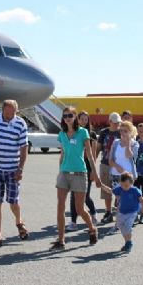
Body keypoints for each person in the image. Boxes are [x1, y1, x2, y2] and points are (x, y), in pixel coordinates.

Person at [0, 100, 29, 248]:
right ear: (2, 110)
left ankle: (19, 222)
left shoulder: (20, 124)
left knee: (13, 201)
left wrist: (20, 168)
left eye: (13, 114)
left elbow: (24, 147)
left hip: (12, 169)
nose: (9, 117)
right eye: (7, 114)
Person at [51, 107, 99, 250]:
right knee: (60, 206)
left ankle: (92, 229)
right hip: (64, 173)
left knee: (79, 208)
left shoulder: (83, 132)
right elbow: (63, 154)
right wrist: (60, 170)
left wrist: (95, 174)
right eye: (65, 115)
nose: (67, 118)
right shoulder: (62, 134)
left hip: (79, 173)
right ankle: (61, 239)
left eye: (70, 115)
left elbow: (90, 155)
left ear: (75, 117)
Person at [100, 172, 143, 253]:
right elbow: (110, 191)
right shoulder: (120, 189)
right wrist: (102, 185)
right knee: (120, 226)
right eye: (122, 185)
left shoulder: (135, 190)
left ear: (131, 183)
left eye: (126, 185)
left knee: (127, 227)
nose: (124, 187)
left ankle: (129, 243)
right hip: (122, 212)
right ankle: (127, 243)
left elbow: (142, 200)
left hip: (132, 212)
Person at [66, 111, 98, 232]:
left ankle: (93, 214)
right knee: (73, 196)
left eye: (86, 119)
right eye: (82, 119)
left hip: (87, 168)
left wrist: (93, 172)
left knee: (85, 196)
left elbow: (93, 155)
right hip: (73, 167)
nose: (84, 121)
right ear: (77, 120)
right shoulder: (73, 133)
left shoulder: (92, 134)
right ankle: (73, 222)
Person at [107, 121, 139, 234]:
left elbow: (129, 155)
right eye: (121, 130)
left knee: (124, 200)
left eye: (125, 131)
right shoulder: (115, 143)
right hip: (116, 175)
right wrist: (118, 167)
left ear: (130, 132)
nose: (122, 133)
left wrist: (128, 143)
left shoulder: (135, 144)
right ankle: (120, 223)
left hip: (128, 177)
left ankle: (121, 222)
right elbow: (110, 160)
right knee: (119, 200)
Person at [96, 112, 121, 224]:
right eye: (115, 123)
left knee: (119, 190)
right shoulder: (104, 132)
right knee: (106, 189)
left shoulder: (121, 132)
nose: (116, 125)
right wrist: (94, 161)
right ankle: (108, 212)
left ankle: (120, 213)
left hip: (118, 166)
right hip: (105, 164)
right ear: (110, 121)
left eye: (118, 123)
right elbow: (98, 148)